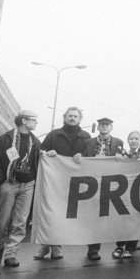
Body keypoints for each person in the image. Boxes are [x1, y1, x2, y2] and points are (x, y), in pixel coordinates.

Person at [0, 110, 41, 267]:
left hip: (28, 185)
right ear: (24, 120)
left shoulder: (36, 143)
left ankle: (10, 254)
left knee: (20, 221)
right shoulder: (5, 139)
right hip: (9, 183)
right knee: (2, 221)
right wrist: (1, 181)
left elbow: (39, 163)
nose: (36, 123)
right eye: (33, 120)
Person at [36, 106, 91, 260]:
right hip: (55, 181)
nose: (72, 118)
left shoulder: (86, 136)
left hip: (75, 183)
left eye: (75, 116)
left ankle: (51, 245)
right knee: (52, 213)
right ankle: (50, 246)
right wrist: (47, 153)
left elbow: (90, 156)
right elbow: (41, 150)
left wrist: (83, 156)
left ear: (79, 119)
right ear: (64, 117)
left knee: (64, 216)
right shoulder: (54, 135)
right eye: (70, 116)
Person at [83, 118, 126, 260]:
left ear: (111, 127)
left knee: (116, 215)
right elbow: (83, 159)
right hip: (94, 182)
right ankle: (93, 250)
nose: (104, 127)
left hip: (112, 183)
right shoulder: (89, 143)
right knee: (95, 217)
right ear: (99, 127)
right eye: (102, 125)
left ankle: (120, 246)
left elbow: (124, 161)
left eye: (107, 125)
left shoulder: (118, 142)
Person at [111, 131, 140, 259]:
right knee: (122, 219)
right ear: (127, 140)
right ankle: (120, 246)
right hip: (124, 190)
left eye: (136, 138)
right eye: (131, 138)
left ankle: (130, 248)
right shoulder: (122, 152)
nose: (133, 141)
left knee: (135, 220)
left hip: (138, 190)